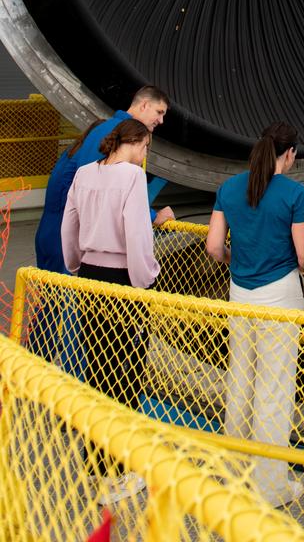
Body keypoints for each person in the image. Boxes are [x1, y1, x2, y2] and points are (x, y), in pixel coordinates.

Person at [206, 122, 304, 508]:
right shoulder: (294, 193)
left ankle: (233, 473)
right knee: (274, 389)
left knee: (240, 381)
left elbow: (214, 246)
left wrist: (237, 260)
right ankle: (271, 488)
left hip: (240, 292)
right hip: (279, 296)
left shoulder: (229, 188)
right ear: (290, 154)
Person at [61, 118, 160, 503]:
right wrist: (145, 279)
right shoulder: (132, 178)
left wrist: (74, 265)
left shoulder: (85, 173)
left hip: (89, 274)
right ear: (135, 144)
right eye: (146, 147)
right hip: (123, 280)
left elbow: (70, 225)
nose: (145, 155)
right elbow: (138, 233)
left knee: (97, 370)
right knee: (127, 374)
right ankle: (121, 471)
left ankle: (96, 462)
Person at [36, 85, 173, 275]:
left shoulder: (104, 129)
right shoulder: (113, 133)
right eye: (159, 112)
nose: (161, 120)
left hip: (55, 233)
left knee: (50, 303)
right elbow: (99, 186)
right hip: (63, 240)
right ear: (144, 105)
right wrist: (153, 216)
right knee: (63, 303)